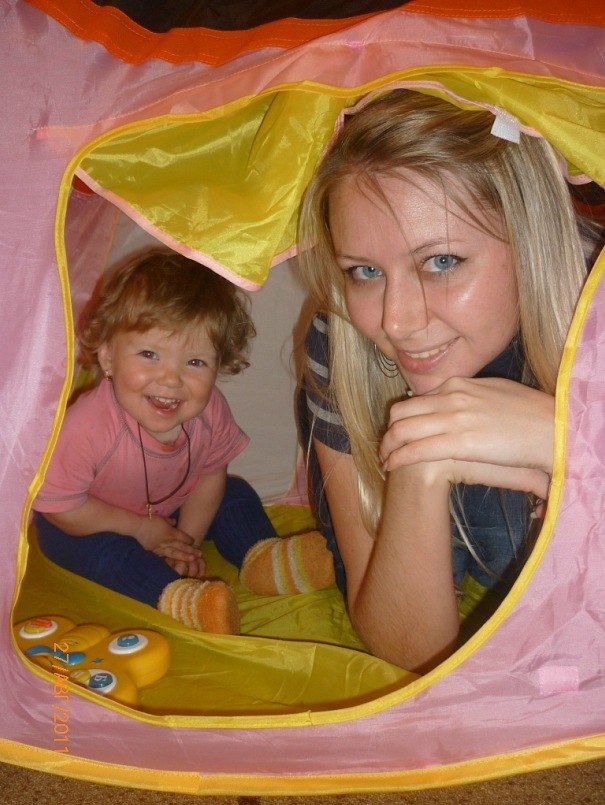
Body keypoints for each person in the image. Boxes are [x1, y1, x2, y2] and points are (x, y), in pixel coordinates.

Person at [297, 89, 601, 672]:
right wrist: (419, 465)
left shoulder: (596, 311)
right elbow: (410, 652)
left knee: (507, 537)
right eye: (364, 271)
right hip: (396, 489)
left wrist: (575, 438)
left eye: (441, 261)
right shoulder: (344, 342)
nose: (395, 322)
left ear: (530, 236)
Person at [34, 250, 334, 635]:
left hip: (169, 514)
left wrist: (185, 543)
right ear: (108, 357)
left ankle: (263, 558)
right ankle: (177, 597)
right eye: (149, 354)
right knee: (98, 551)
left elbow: (209, 477)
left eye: (194, 362)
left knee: (233, 492)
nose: (171, 379)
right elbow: (60, 505)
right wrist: (141, 530)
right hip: (90, 521)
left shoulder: (210, 412)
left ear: (219, 364)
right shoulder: (87, 428)